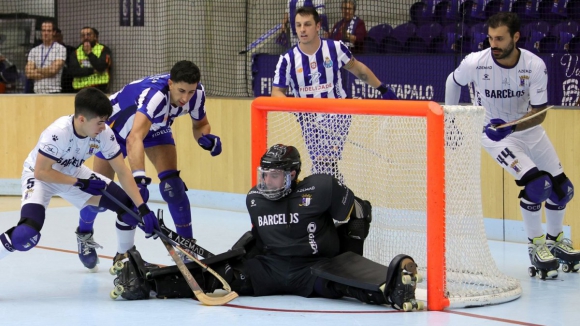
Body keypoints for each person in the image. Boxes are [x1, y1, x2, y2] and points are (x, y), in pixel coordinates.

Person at [112, 144, 422, 311]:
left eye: (275, 176)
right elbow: (257, 238)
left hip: (314, 268)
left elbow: (358, 210)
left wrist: (351, 259)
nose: (267, 182)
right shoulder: (255, 199)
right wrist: (230, 259)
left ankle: (394, 290)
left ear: (293, 175)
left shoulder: (320, 189)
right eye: (265, 175)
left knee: (341, 287)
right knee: (218, 278)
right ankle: (145, 281)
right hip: (270, 269)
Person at [445, 12, 579, 277]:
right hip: (493, 135)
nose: (493, 44)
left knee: (563, 190)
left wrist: (513, 126)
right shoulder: (476, 63)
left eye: (500, 39)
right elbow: (453, 80)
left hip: (527, 129)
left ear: (515, 37)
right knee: (538, 185)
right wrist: (450, 122)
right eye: (490, 38)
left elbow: (539, 112)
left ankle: (555, 241)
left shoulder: (534, 65)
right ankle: (536, 246)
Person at [75, 60, 222, 269]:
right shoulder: (155, 96)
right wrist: (139, 178)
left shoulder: (196, 94)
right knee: (99, 198)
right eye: (181, 91)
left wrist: (206, 139)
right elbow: (134, 137)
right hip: (115, 132)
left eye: (190, 92)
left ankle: (186, 248)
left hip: (154, 128)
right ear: (170, 83)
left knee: (173, 187)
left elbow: (201, 125)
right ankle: (84, 233)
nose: (185, 98)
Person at [0, 88, 159, 272]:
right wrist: (81, 183)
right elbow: (41, 172)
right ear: (81, 119)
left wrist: (142, 208)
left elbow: (122, 171)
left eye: (105, 121)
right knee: (26, 234)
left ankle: (123, 260)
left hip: (73, 172)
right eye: (100, 122)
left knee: (128, 208)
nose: (103, 127)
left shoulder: (104, 133)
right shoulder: (58, 133)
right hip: (40, 177)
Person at [272, 6, 397, 182]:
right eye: (298, 25)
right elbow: (276, 93)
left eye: (307, 24)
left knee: (324, 163)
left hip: (337, 113)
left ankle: (331, 198)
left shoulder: (335, 48)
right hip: (308, 120)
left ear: (317, 26)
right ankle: (339, 193)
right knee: (323, 166)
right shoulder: (287, 59)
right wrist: (295, 107)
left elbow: (358, 69)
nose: (302, 29)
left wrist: (382, 88)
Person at [24, 21, 66, 94]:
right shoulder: (34, 50)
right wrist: (46, 72)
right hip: (37, 92)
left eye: (49, 31)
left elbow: (53, 70)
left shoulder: (60, 49)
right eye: (43, 30)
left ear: (54, 32)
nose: (46, 33)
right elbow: (28, 73)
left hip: (53, 92)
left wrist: (36, 70)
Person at [67, 27, 112, 93]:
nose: (86, 37)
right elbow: (73, 71)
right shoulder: (75, 52)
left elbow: (101, 66)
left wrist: (89, 53)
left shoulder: (103, 49)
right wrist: (92, 70)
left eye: (88, 34)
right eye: (83, 35)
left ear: (95, 37)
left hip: (99, 89)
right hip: (80, 90)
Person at [54, 28, 77, 93]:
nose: (56, 39)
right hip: (54, 86)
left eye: (57, 36)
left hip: (68, 86)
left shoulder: (70, 50)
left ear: (61, 37)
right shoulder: (48, 52)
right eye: (54, 37)